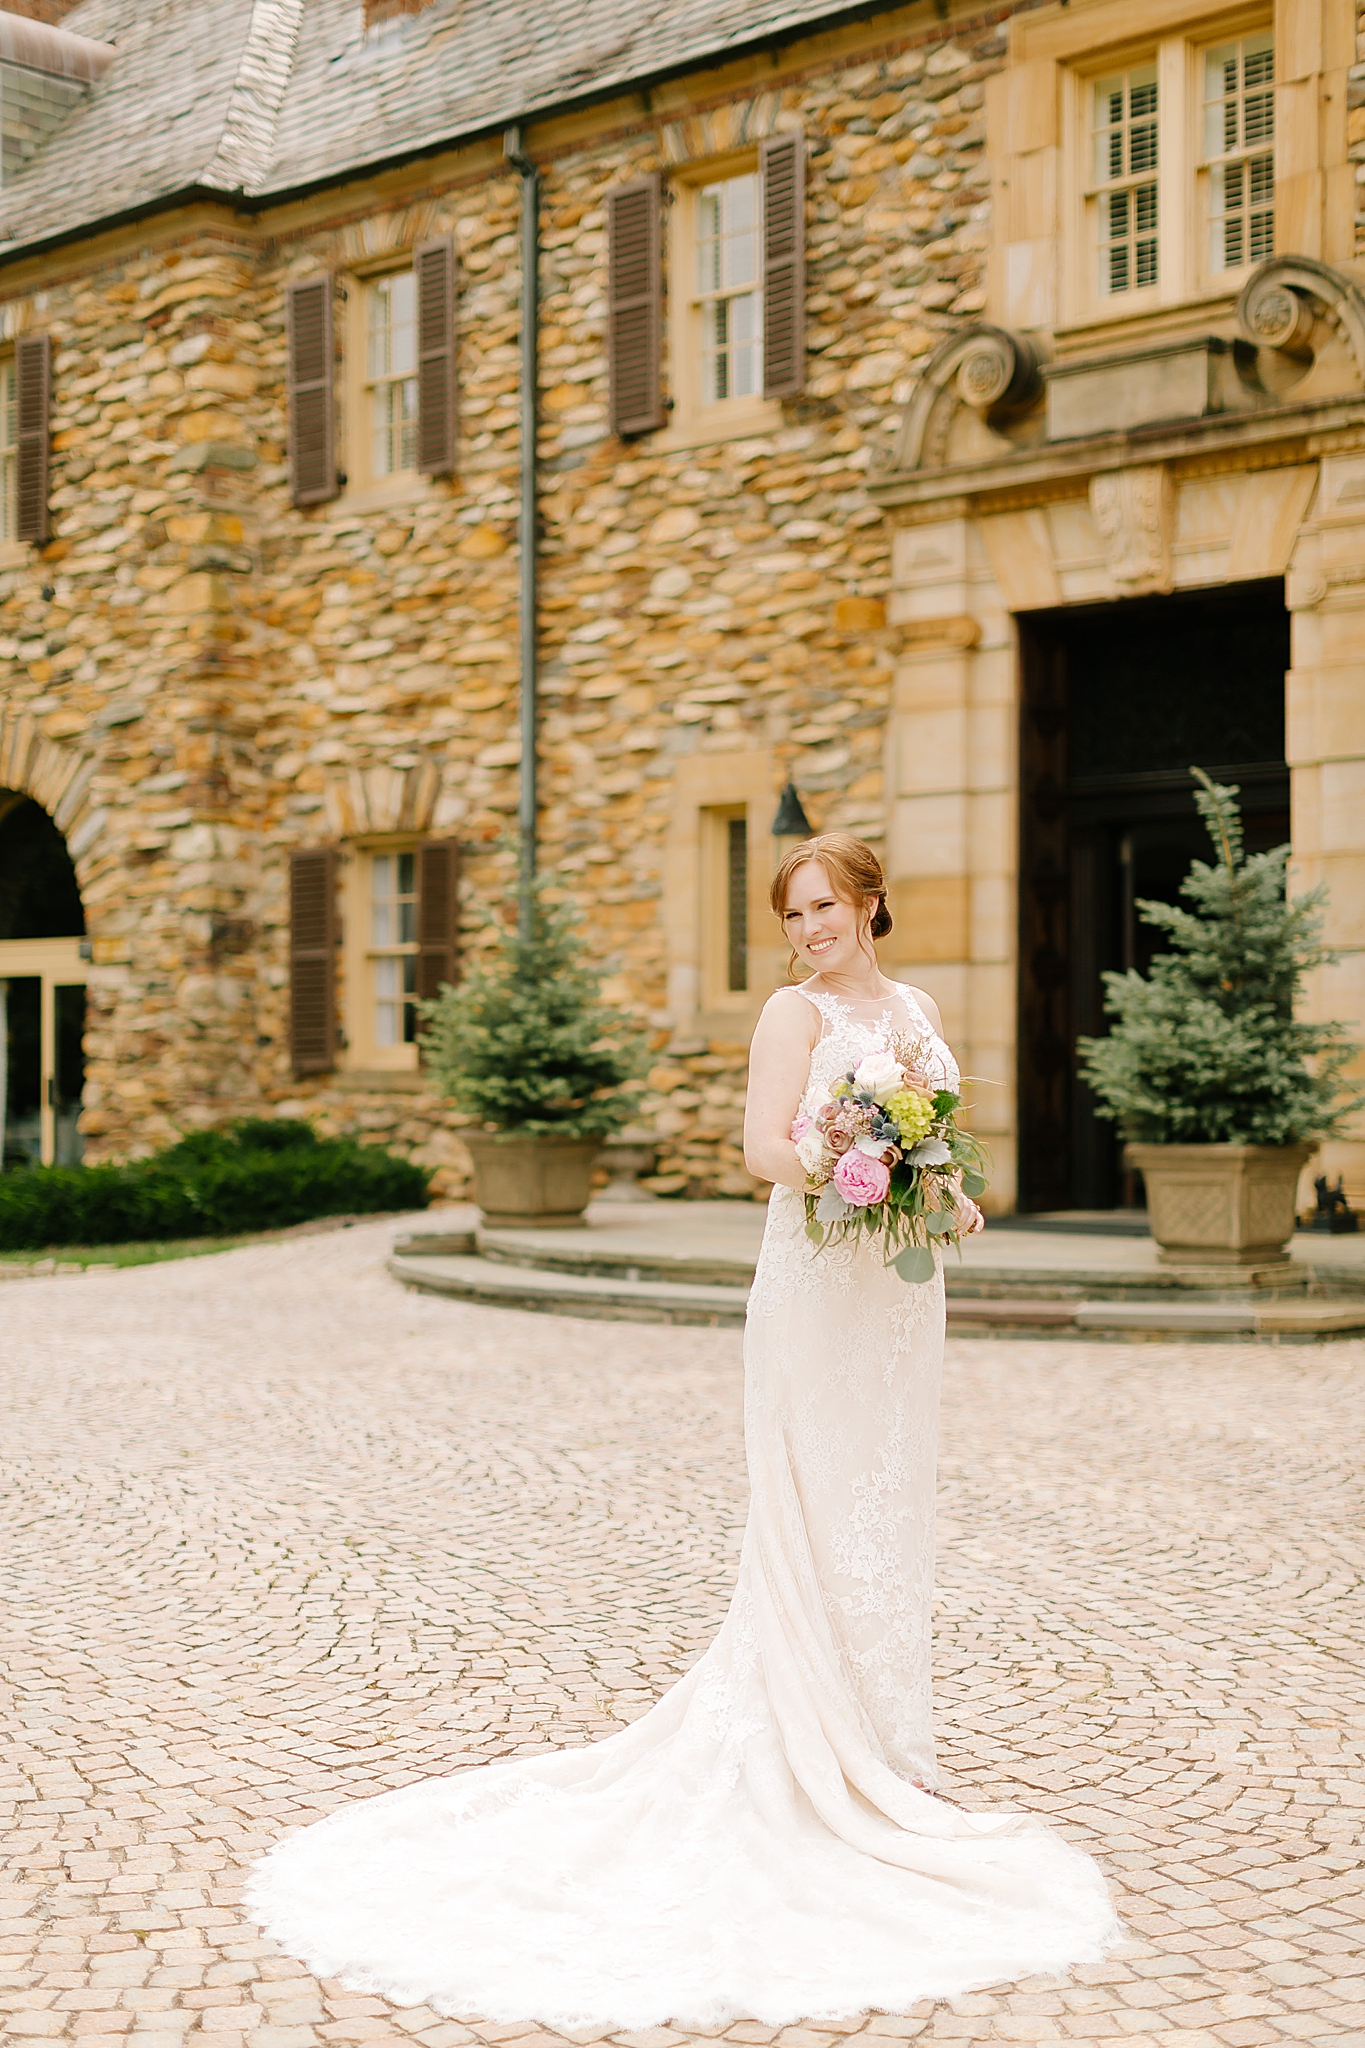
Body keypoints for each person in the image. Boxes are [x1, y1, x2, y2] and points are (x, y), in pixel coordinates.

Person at [247, 833, 1119, 2030]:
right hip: (814, 1283)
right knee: (812, 1500)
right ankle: (810, 1747)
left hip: (900, 1297)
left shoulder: (913, 1003)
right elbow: (764, 1149)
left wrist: (940, 1183)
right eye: (792, 911)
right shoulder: (789, 1014)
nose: (810, 926)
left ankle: (887, 1744)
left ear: (871, 902)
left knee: (888, 1499)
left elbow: (939, 1130)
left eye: (825, 905)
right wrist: (848, 1157)